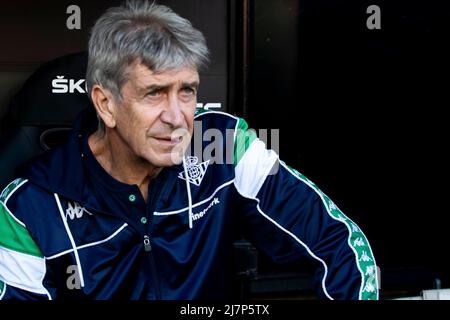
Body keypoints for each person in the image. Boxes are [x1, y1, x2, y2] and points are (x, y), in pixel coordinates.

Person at [0, 0, 378, 300]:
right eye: (154, 93)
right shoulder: (28, 207)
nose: (177, 117)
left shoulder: (225, 147)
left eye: (187, 91)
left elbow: (340, 243)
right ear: (106, 104)